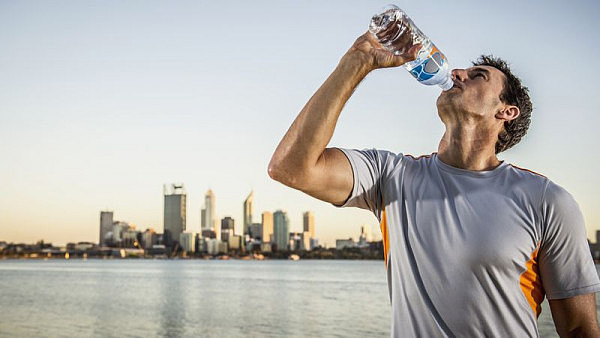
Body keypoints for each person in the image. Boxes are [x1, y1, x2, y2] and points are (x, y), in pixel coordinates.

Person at [268, 31, 600, 337]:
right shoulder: (391, 175)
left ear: (506, 111)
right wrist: (358, 60)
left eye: (477, 76)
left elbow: (579, 329)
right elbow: (290, 167)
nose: (457, 74)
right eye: (462, 71)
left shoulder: (546, 200)